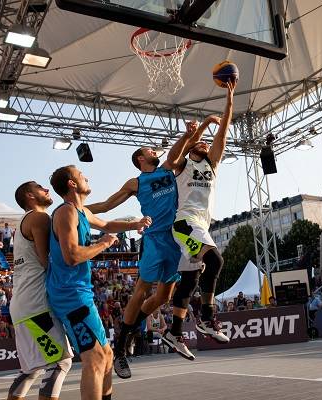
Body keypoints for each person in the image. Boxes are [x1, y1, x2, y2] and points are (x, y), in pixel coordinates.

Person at [86, 117, 218, 377]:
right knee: (142, 289)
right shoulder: (135, 183)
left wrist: (198, 129)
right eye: (149, 151)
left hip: (174, 240)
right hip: (154, 240)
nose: (153, 151)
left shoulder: (168, 168)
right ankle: (121, 348)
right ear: (140, 159)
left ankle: (134, 329)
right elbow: (105, 206)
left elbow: (184, 146)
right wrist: (74, 209)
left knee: (163, 297)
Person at [47, 165, 151, 400]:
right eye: (82, 176)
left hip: (80, 293)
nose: (87, 177)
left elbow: (106, 225)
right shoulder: (66, 212)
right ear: (72, 184)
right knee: (94, 359)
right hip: (70, 295)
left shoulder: (80, 212)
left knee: (106, 355)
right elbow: (71, 256)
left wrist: (134, 225)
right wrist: (104, 244)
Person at [164, 81, 236, 357]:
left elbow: (224, 132)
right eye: (202, 143)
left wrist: (228, 99)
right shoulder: (184, 165)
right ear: (194, 147)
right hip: (185, 223)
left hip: (199, 226)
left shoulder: (211, 164)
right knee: (215, 259)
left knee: (189, 282)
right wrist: (200, 128)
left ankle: (174, 331)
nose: (207, 144)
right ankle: (207, 317)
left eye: (208, 143)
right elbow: (171, 158)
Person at [7, 181, 74, 400]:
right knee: (59, 363)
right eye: (40, 187)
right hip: (36, 305)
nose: (46, 189)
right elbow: (47, 262)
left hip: (22, 304)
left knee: (31, 369)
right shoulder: (39, 217)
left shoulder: (23, 223)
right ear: (30, 195)